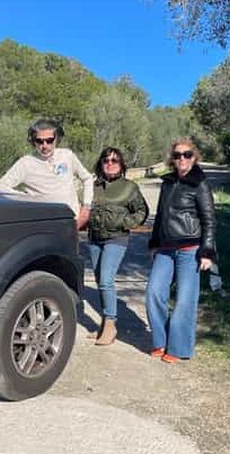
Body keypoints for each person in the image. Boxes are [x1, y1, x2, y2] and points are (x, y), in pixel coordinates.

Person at [146, 137, 216, 364]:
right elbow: (160, 216)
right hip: (165, 249)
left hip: (190, 249)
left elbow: (209, 220)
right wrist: (154, 243)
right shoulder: (167, 183)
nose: (182, 159)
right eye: (177, 155)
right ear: (172, 159)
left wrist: (207, 252)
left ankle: (179, 347)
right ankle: (160, 341)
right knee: (154, 293)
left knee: (185, 301)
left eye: (187, 155)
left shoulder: (200, 184)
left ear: (194, 157)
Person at [87, 147, 149, 346]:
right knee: (99, 281)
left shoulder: (129, 187)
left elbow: (142, 211)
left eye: (115, 160)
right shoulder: (93, 186)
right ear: (101, 163)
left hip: (117, 239)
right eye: (106, 160)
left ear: (121, 164)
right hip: (94, 238)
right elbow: (83, 207)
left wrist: (125, 223)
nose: (110, 163)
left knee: (106, 280)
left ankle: (111, 325)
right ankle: (104, 323)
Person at [0, 119, 93, 229]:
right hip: (43, 225)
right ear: (33, 141)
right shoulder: (26, 163)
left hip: (71, 222)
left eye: (49, 140)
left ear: (57, 139)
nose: (45, 146)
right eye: (39, 141)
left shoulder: (67, 156)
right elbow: (0, 187)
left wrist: (86, 208)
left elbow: (87, 179)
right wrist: (28, 199)